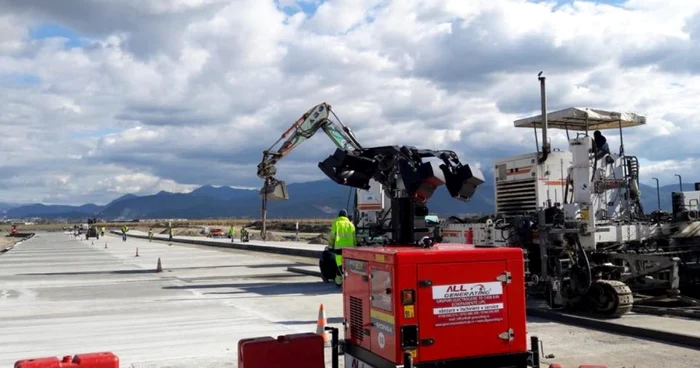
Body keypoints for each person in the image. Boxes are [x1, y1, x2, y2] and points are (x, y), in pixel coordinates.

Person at [327, 209, 356, 286]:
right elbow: (354, 238)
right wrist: (355, 248)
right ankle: (350, 281)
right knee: (349, 265)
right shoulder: (351, 225)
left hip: (338, 249)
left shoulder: (336, 223)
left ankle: (339, 282)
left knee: (340, 265)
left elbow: (332, 236)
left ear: (339, 216)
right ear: (346, 216)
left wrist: (330, 246)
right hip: (350, 249)